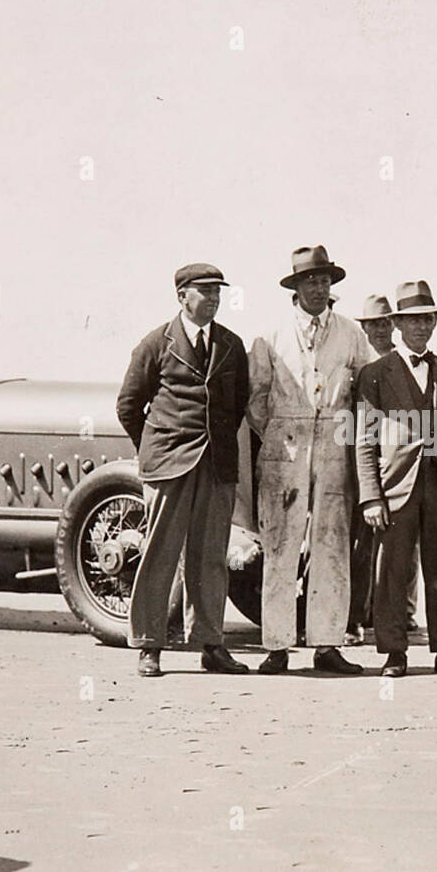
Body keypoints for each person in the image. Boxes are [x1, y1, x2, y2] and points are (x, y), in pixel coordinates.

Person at [116, 262, 250, 677]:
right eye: (204, 291)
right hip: (168, 466)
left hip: (216, 467)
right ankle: (148, 644)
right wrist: (155, 449)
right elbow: (128, 405)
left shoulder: (230, 344)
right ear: (182, 297)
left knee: (211, 559)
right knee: (159, 554)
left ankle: (211, 644)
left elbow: (238, 403)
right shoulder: (156, 343)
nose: (212, 298)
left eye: (217, 292)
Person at [248, 246, 374, 675]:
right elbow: (256, 397)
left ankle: (327, 643)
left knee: (331, 543)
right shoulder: (270, 334)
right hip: (284, 448)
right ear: (295, 288)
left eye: (325, 281)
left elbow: (366, 388)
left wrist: (342, 432)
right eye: (310, 281)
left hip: (335, 446)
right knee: (280, 545)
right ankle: (277, 645)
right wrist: (283, 432)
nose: (319, 288)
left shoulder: (351, 332)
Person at [354, 281, 437, 678]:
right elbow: (364, 439)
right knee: (392, 571)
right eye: (413, 321)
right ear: (397, 324)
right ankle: (394, 653)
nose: (422, 328)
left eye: (428, 320)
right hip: (395, 488)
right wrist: (371, 497)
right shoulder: (375, 373)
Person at [346, 294, 419, 644]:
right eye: (372, 323)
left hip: (397, 466)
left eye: (385, 321)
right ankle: (356, 616)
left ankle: (403, 611)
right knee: (360, 545)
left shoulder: (405, 361)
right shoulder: (356, 362)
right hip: (359, 460)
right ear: (363, 326)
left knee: (403, 544)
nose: (379, 328)